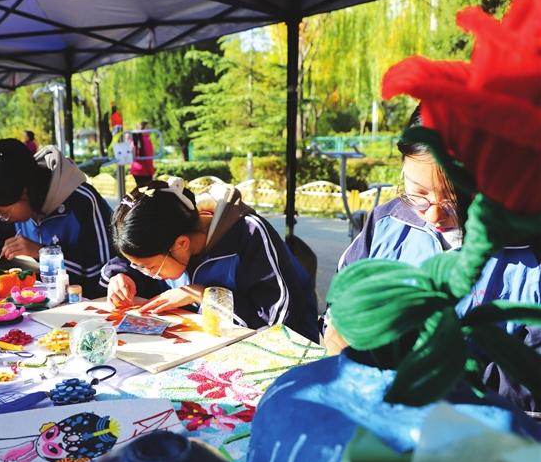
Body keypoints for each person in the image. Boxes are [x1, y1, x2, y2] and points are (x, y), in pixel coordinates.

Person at [323, 106, 541, 411]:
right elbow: (343, 301)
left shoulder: (529, 256)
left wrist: (439, 381)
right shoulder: (386, 224)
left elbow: (531, 379)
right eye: (418, 193)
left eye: (453, 199)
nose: (434, 215)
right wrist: (342, 332)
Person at [101, 179, 318, 340]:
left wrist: (204, 295)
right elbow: (137, 257)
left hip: (278, 356)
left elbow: (280, 324)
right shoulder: (163, 241)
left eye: (150, 268)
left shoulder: (249, 235)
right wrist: (122, 275)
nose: (147, 273)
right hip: (204, 345)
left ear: (181, 244)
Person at [0, 138, 113, 297]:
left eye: (3, 213)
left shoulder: (83, 202)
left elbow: (105, 273)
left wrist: (43, 253)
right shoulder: (14, 203)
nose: (3, 219)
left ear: (23, 192)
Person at [130, 121, 155, 188]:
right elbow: (148, 159)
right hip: (145, 171)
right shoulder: (146, 140)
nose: (150, 130)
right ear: (142, 129)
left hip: (136, 171)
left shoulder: (135, 140)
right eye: (148, 128)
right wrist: (151, 171)